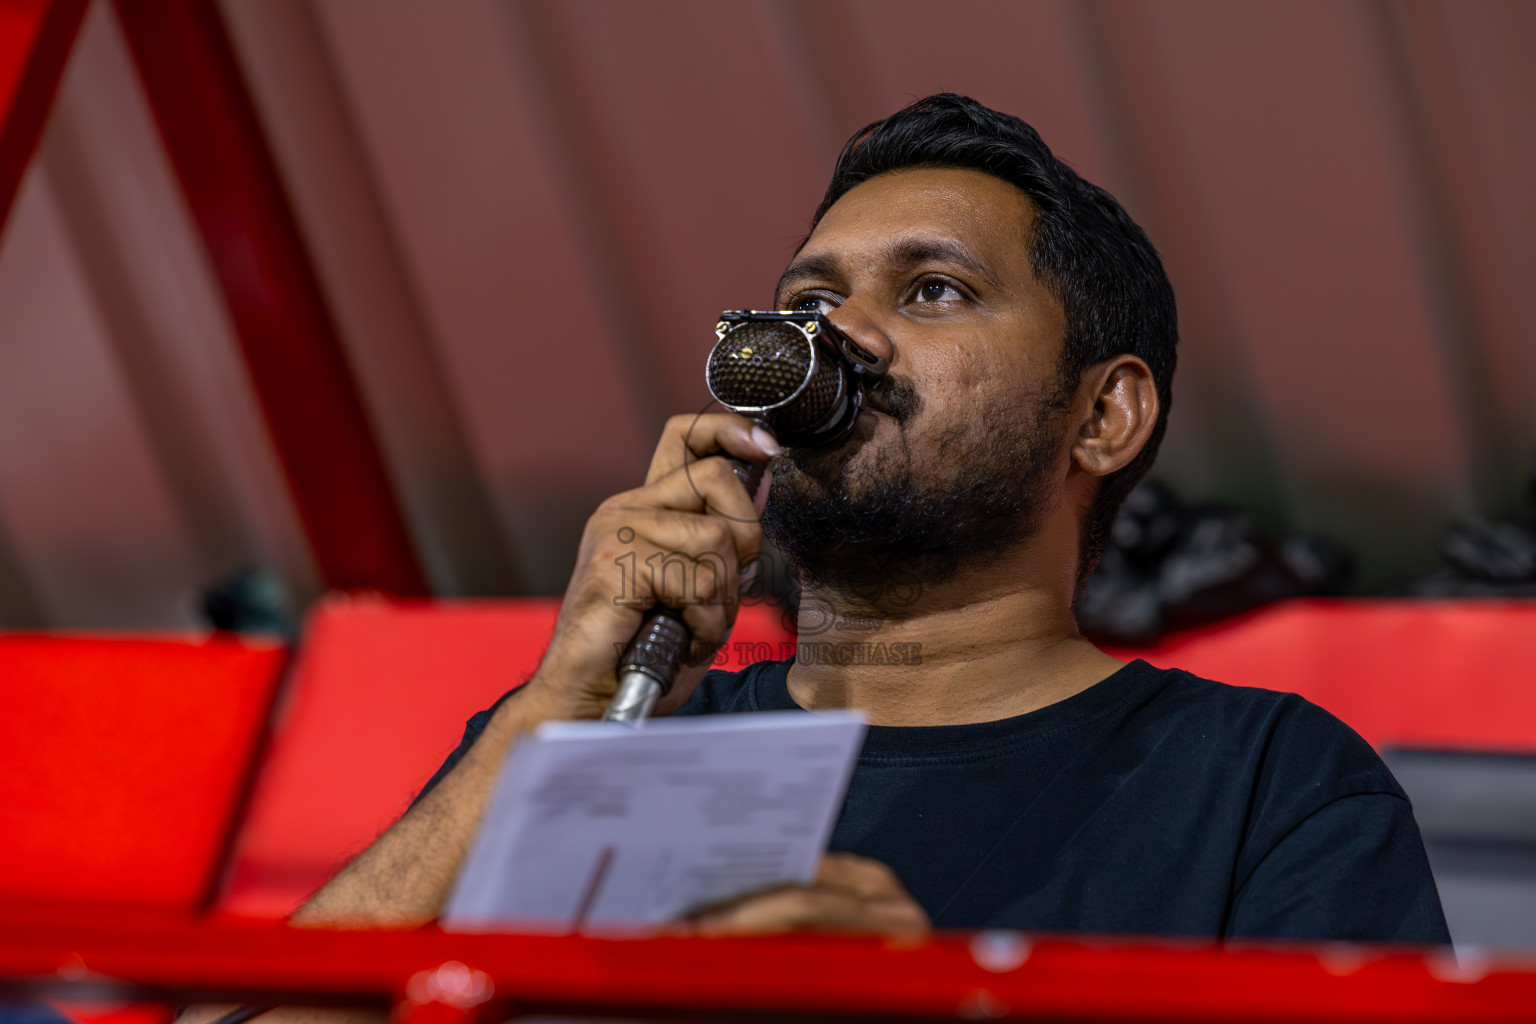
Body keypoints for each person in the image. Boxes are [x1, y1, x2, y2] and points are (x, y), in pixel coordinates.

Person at [282, 94, 1452, 946]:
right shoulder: (592, 744)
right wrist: (551, 711)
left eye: (933, 289)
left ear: (1103, 414)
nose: (836, 337)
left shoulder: (1264, 785)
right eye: (808, 300)